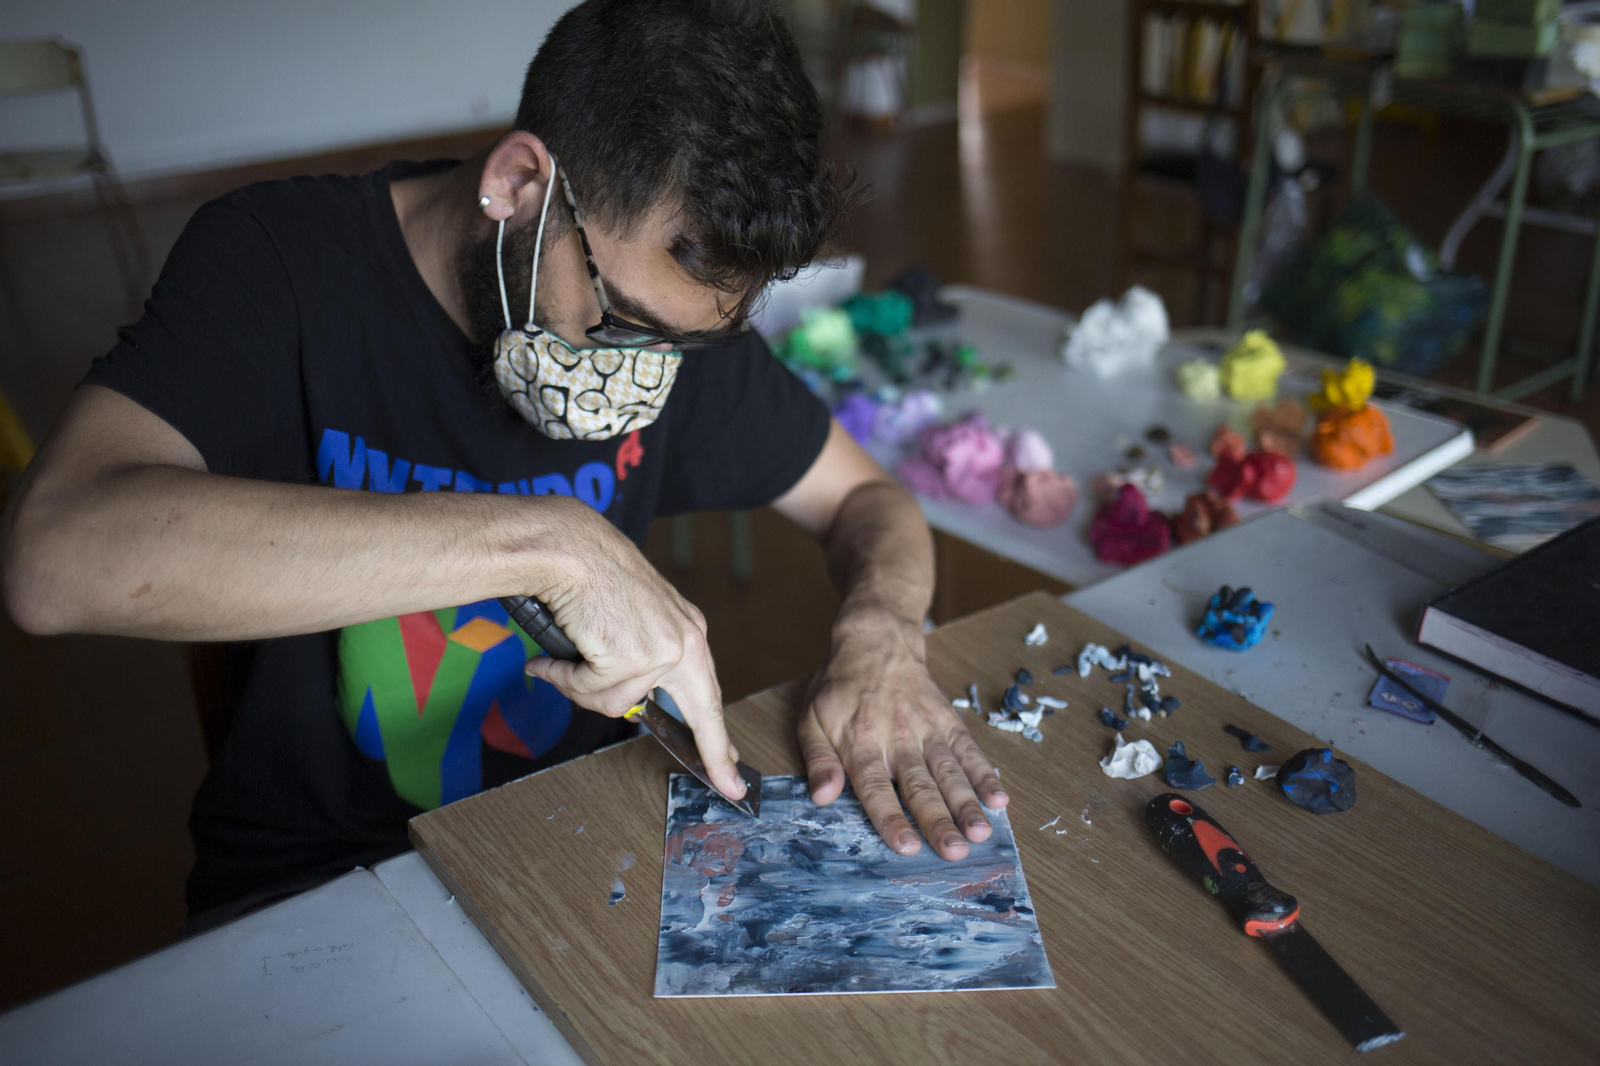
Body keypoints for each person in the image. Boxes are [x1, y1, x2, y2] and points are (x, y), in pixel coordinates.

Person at [0, 0, 1007, 928]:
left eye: (686, 345)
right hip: (323, 883)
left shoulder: (677, 319)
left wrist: (881, 633)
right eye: (620, 328)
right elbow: (56, 556)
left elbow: (870, 500)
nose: (643, 376)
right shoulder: (279, 262)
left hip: (578, 844)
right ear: (517, 184)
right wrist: (553, 548)